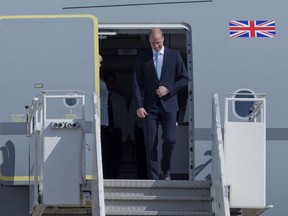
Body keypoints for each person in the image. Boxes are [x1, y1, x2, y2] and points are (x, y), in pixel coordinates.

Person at [133, 28, 188, 180]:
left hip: (169, 105)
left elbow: (184, 78)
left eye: (157, 43)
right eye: (152, 43)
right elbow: (136, 83)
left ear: (163, 39)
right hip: (149, 107)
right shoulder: (143, 58)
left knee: (170, 139)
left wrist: (168, 90)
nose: (155, 46)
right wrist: (139, 105)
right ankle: (154, 178)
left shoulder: (174, 55)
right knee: (150, 143)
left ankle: (166, 168)